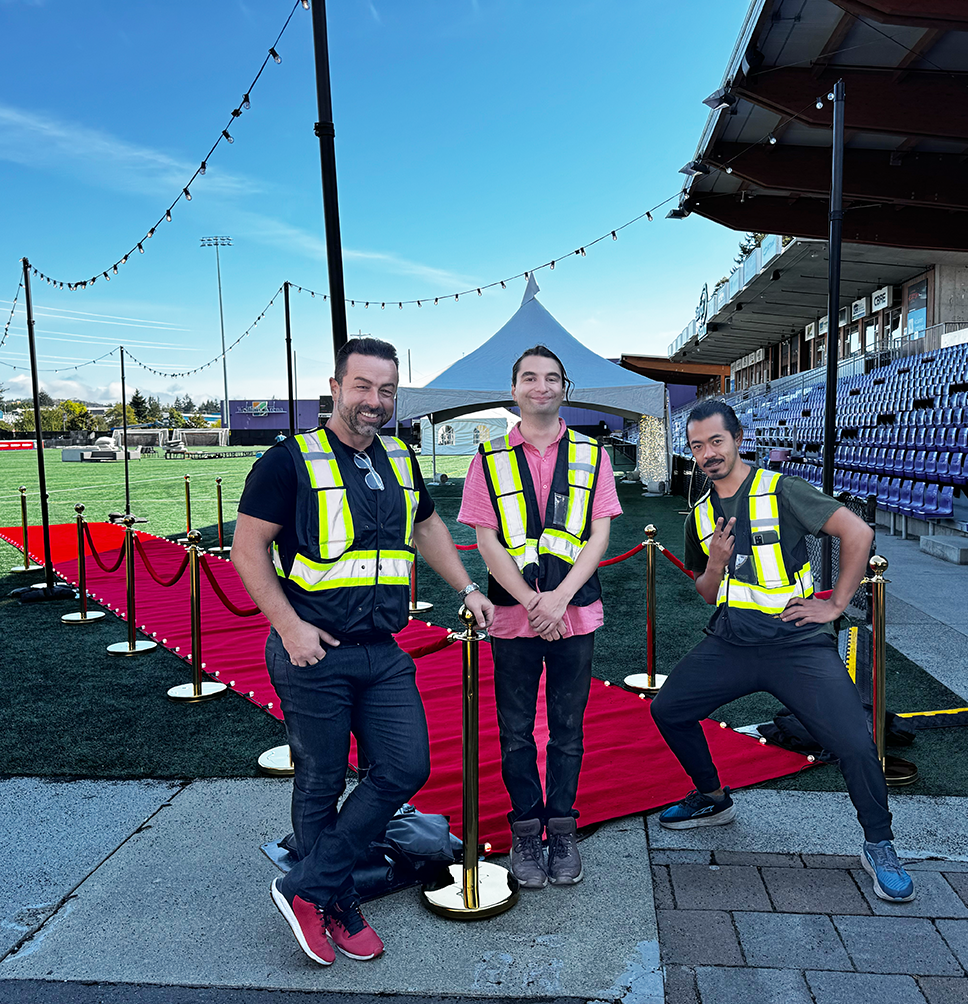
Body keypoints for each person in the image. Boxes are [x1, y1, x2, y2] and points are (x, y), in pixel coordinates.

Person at [233, 337, 493, 966]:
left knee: (404, 769)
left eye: (387, 390)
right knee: (321, 780)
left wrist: (465, 585)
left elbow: (427, 525)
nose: (375, 402)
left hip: (383, 649)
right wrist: (290, 628)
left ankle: (308, 887)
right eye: (363, 387)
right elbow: (248, 551)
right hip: (313, 652)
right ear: (336, 386)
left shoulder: (400, 458)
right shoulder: (287, 459)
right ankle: (336, 900)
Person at [649, 400, 914, 903]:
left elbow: (858, 532)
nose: (707, 454)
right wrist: (717, 564)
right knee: (668, 710)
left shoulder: (779, 488)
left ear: (738, 437)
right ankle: (712, 798)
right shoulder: (700, 514)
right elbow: (706, 592)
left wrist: (835, 604)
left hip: (796, 646)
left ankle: (880, 845)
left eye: (716, 441)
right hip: (731, 642)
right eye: (697, 446)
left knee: (856, 744)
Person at [458, 345, 621, 889]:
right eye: (530, 377)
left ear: (565, 388)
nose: (541, 387)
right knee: (515, 729)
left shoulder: (594, 454)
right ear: (514, 389)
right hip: (513, 615)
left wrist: (558, 600)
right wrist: (533, 603)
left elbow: (599, 534)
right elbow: (485, 539)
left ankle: (563, 826)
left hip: (574, 610)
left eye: (552, 378)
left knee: (569, 728)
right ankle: (527, 829)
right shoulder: (488, 456)